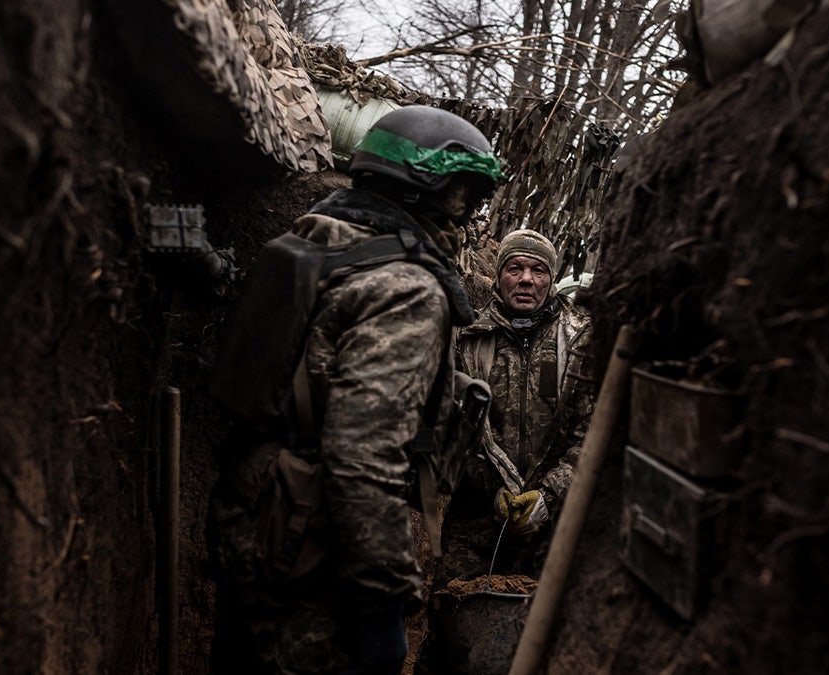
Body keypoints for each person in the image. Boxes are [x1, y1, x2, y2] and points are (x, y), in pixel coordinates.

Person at [206, 105, 505, 675]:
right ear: (425, 186)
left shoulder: (319, 243)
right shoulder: (405, 288)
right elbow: (362, 457)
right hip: (316, 551)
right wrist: (380, 604)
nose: (468, 211)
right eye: (462, 193)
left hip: (251, 519)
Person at [440, 228, 596, 583]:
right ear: (499, 277)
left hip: (559, 520)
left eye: (538, 270)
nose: (526, 280)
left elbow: (593, 430)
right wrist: (494, 490)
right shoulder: (467, 340)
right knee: (454, 609)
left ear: (551, 279)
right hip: (479, 520)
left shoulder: (580, 340)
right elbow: (451, 430)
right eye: (515, 268)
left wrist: (550, 495)